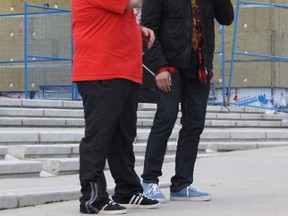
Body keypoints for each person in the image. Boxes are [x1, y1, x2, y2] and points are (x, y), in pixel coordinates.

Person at [140, 0, 234, 202]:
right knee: (166, 118)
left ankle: (182, 184)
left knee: (194, 125)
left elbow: (227, 18)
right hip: (170, 66)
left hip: (199, 65)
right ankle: (149, 181)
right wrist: (159, 67)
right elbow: (148, 29)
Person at [71, 0, 158, 214]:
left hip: (123, 71)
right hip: (102, 71)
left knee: (122, 136)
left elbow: (108, 18)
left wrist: (137, 29)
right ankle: (93, 198)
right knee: (99, 137)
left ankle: (127, 189)